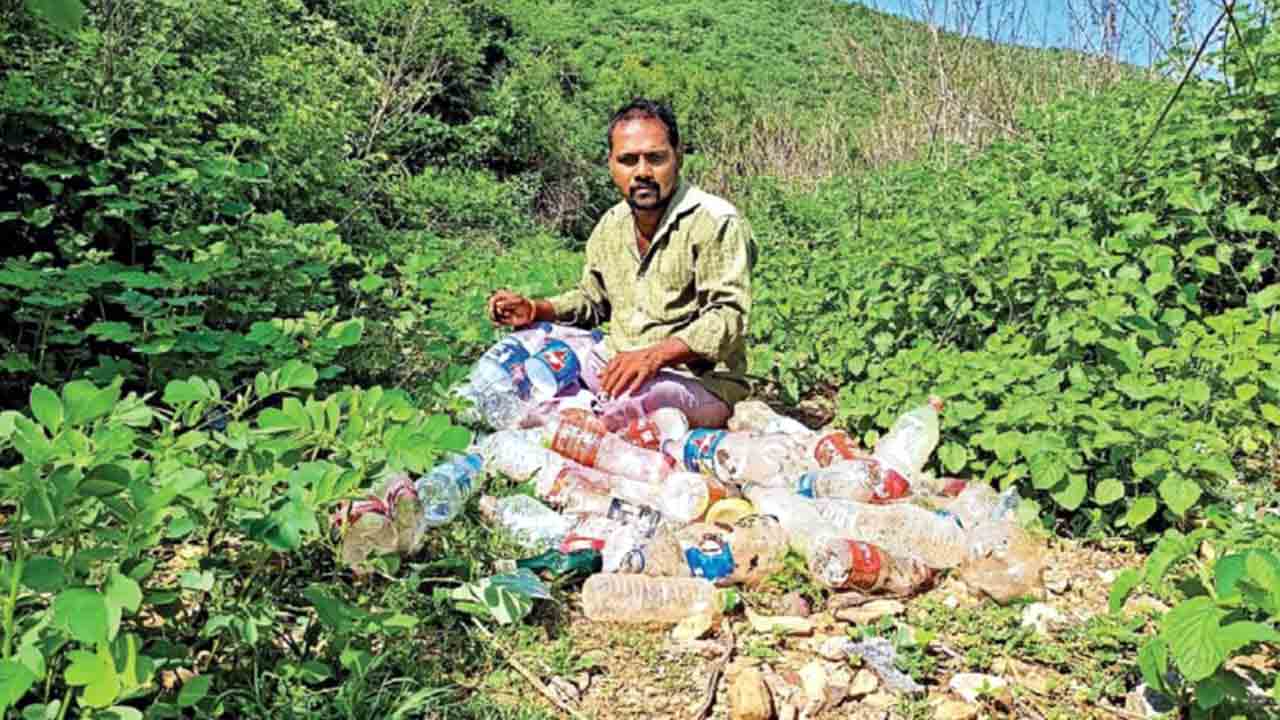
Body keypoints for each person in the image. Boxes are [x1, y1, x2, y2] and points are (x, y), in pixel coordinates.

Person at [487, 98, 755, 429]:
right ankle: (499, 410)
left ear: (678, 158)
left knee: (636, 400)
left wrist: (653, 356)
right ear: (611, 165)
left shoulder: (714, 220)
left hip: (690, 381)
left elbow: (727, 318)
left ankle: (576, 421)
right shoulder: (611, 224)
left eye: (656, 158)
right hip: (618, 363)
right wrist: (535, 308)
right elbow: (592, 301)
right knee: (528, 344)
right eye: (628, 160)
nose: (643, 172)